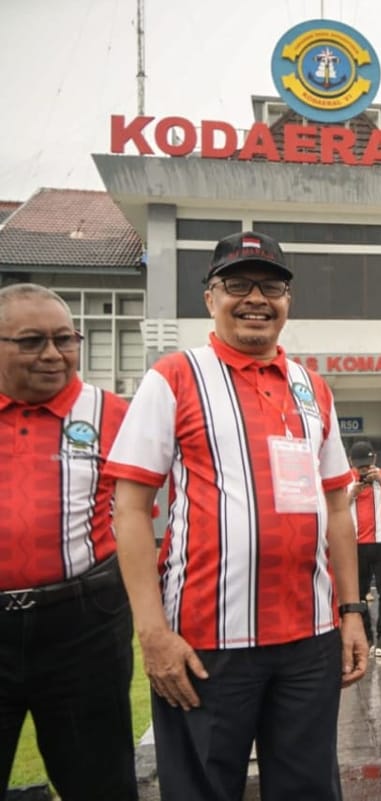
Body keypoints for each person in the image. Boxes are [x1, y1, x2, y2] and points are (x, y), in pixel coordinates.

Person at [107, 231, 369, 801]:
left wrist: (351, 612)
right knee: (202, 788)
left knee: (308, 789)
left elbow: (337, 505)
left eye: (271, 285)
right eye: (236, 284)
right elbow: (128, 508)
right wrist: (152, 633)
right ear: (210, 297)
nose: (256, 297)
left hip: (310, 638)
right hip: (206, 639)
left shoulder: (312, 387)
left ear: (288, 300)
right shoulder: (174, 377)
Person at [0, 284, 136, 800]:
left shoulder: (113, 413)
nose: (54, 354)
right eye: (31, 341)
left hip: (84, 628)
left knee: (100, 783)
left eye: (65, 338)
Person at [348, 441, 381, 656]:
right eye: (360, 466)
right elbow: (337, 508)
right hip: (356, 544)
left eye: (367, 465)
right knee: (358, 593)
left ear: (374, 461)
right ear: (352, 463)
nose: (364, 470)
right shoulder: (346, 479)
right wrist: (353, 492)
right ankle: (366, 638)